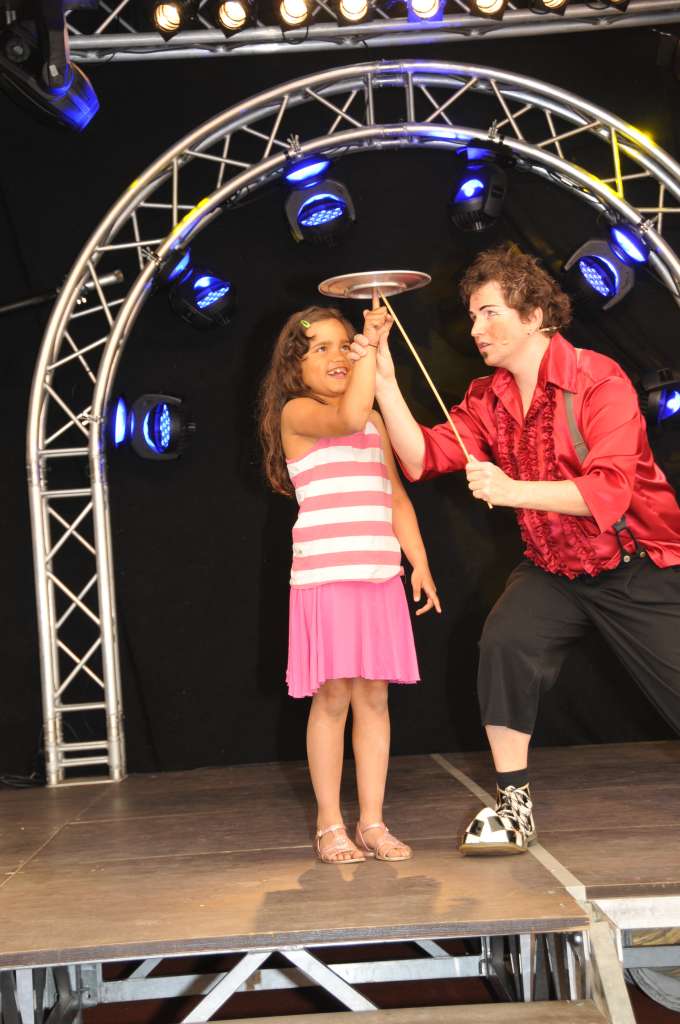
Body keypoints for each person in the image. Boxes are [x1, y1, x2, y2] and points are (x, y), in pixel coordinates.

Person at [350, 243, 680, 855]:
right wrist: (387, 383)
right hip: (554, 569)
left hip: (634, 563)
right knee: (505, 642)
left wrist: (510, 489)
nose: (476, 329)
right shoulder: (489, 397)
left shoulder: (599, 380)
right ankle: (513, 808)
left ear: (534, 316)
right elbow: (422, 458)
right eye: (472, 315)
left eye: (490, 313)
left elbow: (609, 492)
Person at [258, 299, 441, 864]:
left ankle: (373, 822)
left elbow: (396, 497)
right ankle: (329, 823)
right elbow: (346, 416)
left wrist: (419, 562)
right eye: (322, 348)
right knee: (333, 695)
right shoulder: (298, 413)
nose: (338, 355)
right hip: (327, 577)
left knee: (374, 698)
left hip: (377, 575)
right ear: (295, 367)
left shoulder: (374, 422)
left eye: (344, 345)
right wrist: (369, 345)